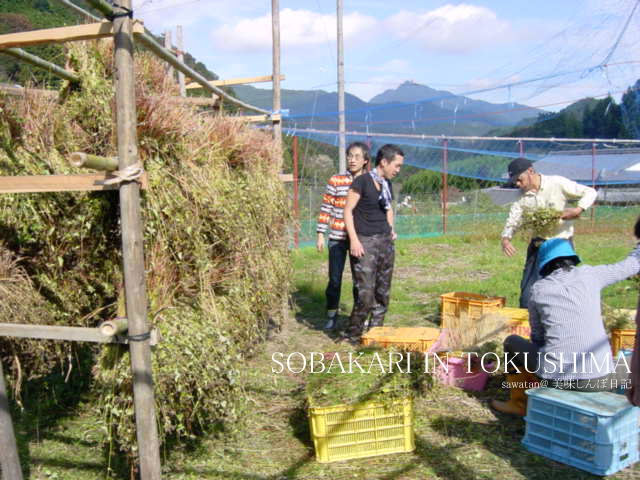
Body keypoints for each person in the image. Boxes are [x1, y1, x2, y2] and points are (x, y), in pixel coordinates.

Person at [492, 233, 640, 416]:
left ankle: (518, 403)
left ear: (543, 264)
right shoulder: (591, 275)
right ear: (572, 258)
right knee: (633, 360)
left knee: (511, 342)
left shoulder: (538, 289)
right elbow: (631, 265)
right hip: (599, 379)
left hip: (554, 379)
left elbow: (538, 336)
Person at [500, 158, 597, 308]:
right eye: (515, 181)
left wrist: (578, 209)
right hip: (538, 245)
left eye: (519, 179)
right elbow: (514, 218)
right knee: (528, 294)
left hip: (560, 246)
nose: (517, 184)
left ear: (530, 172)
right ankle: (530, 325)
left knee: (564, 291)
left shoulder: (556, 183)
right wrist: (506, 238)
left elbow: (590, 192)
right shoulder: (521, 195)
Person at [343, 144, 404, 341]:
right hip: (365, 243)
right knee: (365, 295)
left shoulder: (386, 184)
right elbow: (348, 211)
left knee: (382, 293)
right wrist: (354, 240)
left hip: (385, 242)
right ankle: (353, 334)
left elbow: (388, 209)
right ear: (384, 162)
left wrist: (391, 228)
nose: (398, 170)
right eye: (396, 165)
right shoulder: (362, 181)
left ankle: (375, 334)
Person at [316, 142, 370, 330]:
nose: (352, 159)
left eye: (356, 156)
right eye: (349, 156)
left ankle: (359, 317)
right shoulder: (336, 180)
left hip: (361, 239)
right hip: (337, 237)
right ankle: (331, 314)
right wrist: (321, 233)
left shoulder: (369, 182)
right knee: (335, 279)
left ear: (365, 160)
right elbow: (326, 207)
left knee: (360, 280)